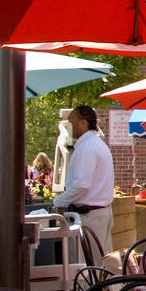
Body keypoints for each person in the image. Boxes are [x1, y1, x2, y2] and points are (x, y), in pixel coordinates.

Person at [52, 106, 116, 253]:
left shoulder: (86, 148)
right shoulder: (98, 144)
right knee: (99, 265)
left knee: (87, 267)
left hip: (90, 217)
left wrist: (58, 202)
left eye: (71, 121)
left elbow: (81, 186)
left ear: (83, 123)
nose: (69, 126)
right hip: (99, 214)